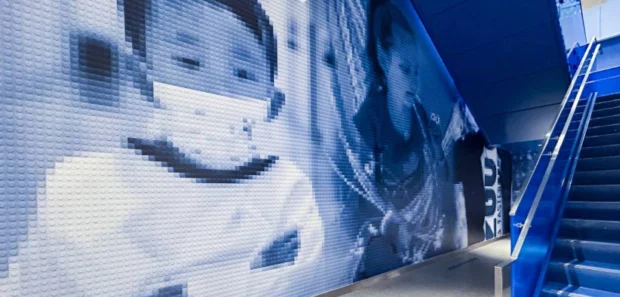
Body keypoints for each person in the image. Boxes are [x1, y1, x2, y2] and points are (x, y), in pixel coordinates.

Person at [4, 1, 323, 296]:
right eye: (189, 61)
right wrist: (248, 272)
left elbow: (297, 279)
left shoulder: (287, 191)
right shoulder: (83, 186)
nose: (218, 88)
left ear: (274, 103)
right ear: (141, 77)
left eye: (243, 73)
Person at [345, 0, 474, 279]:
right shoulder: (365, 124)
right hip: (382, 259)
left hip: (425, 253)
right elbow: (354, 204)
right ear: (382, 58)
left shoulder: (425, 123)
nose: (413, 82)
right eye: (405, 70)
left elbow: (442, 175)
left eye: (416, 71)